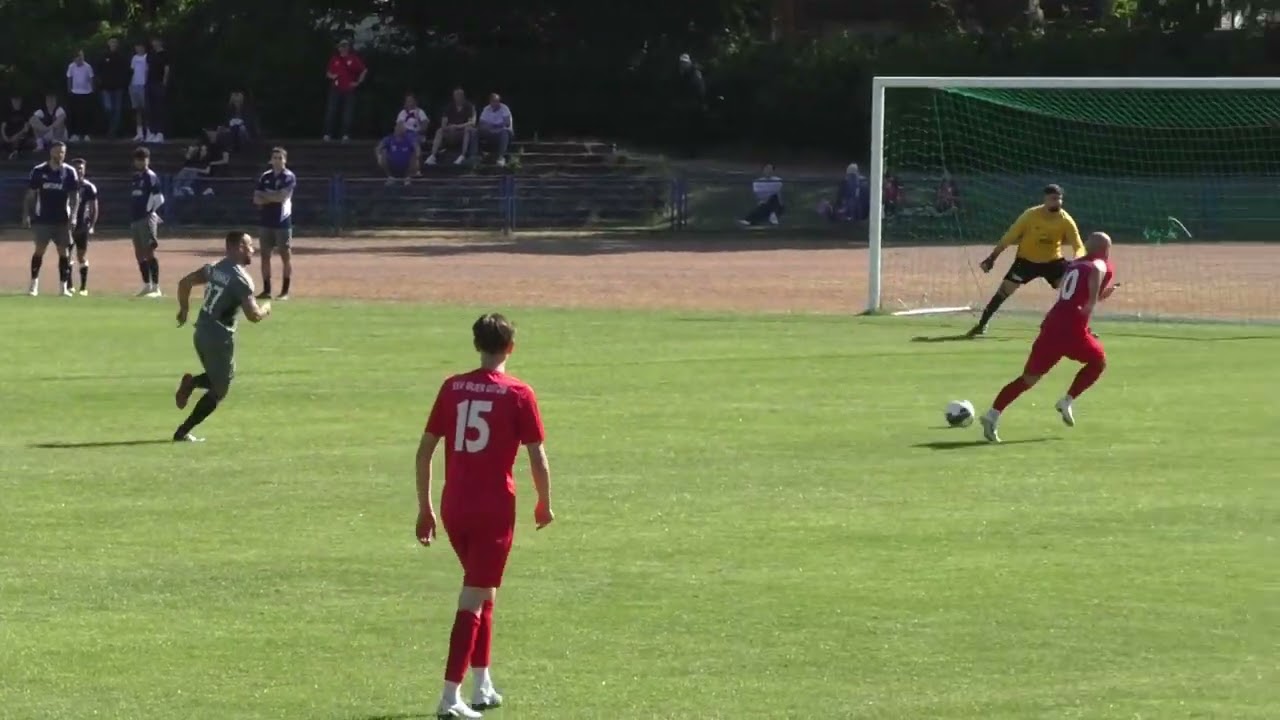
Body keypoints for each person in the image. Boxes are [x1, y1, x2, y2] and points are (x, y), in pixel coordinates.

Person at [415, 313, 554, 719]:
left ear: (476, 344)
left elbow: (425, 450)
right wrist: (544, 501)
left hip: (453, 505)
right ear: (511, 347)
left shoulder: (452, 387)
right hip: (492, 509)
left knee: (484, 589)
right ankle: (449, 696)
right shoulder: (518, 393)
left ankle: (482, 684)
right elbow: (537, 456)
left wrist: (425, 508)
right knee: (473, 597)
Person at [979, 232, 1119, 443]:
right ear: (1106, 249)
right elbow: (1095, 275)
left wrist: (1097, 298)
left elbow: (1071, 293)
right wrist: (1092, 300)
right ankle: (1067, 400)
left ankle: (992, 414)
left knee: (1028, 379)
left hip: (1052, 325)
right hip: (1071, 331)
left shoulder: (1075, 264)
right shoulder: (1100, 265)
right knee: (1098, 362)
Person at [173, 232, 272, 443]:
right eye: (249, 246)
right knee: (220, 389)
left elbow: (185, 283)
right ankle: (182, 432)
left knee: (225, 376)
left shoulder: (214, 267)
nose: (252, 250)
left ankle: (192, 384)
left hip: (201, 331)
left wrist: (183, 311)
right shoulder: (241, 279)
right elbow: (253, 315)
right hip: (218, 336)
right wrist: (266, 309)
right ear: (237, 248)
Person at [967, 184, 1084, 337]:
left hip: (1053, 263)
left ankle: (1080, 329)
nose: (1057, 202)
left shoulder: (1066, 220)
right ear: (1045, 199)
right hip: (1026, 262)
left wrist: (1080, 261)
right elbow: (1009, 237)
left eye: (1059, 199)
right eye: (1053, 199)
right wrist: (992, 257)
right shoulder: (1030, 215)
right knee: (1003, 292)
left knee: (1073, 292)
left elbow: (1079, 245)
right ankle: (982, 325)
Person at [22, 140, 80, 297]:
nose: (60, 155)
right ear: (51, 152)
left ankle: (63, 287)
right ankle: (33, 285)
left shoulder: (69, 172)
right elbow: (31, 194)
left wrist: (73, 216)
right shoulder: (39, 171)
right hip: (43, 219)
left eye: (63, 152)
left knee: (64, 253)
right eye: (58, 151)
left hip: (62, 220)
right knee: (39, 251)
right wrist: (27, 214)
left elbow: (74, 197)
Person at [253, 147, 297, 300]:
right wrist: (272, 196)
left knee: (285, 256)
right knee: (265, 256)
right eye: (275, 158)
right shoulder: (265, 176)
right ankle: (267, 290)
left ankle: (284, 292)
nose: (277, 161)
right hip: (266, 221)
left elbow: (282, 197)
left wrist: (267, 196)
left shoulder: (289, 177)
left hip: (282, 222)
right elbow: (256, 198)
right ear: (270, 160)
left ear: (285, 160)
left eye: (280, 158)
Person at [129, 146, 165, 297]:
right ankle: (146, 284)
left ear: (147, 160)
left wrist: (150, 212)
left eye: (143, 159)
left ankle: (156, 287)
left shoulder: (151, 177)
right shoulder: (136, 178)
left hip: (146, 218)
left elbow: (160, 198)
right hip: (135, 219)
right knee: (139, 254)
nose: (140, 162)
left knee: (149, 251)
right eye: (138, 160)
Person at [69, 158, 98, 295]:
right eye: (76, 168)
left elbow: (94, 208)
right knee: (66, 255)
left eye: (81, 168)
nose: (78, 170)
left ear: (84, 169)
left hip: (82, 226)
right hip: (68, 226)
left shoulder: (89, 187)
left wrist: (91, 225)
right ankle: (68, 286)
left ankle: (83, 287)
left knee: (81, 256)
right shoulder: (67, 185)